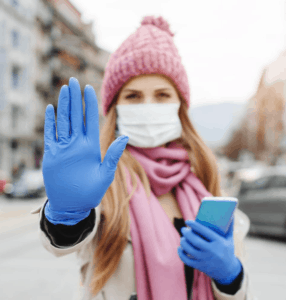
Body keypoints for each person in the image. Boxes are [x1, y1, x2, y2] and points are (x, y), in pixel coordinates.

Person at [32, 16, 251, 300]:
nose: (148, 106)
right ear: (116, 108)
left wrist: (231, 278)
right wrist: (67, 217)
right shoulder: (100, 181)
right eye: (133, 96)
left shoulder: (205, 182)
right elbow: (63, 243)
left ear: (180, 106)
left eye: (162, 95)